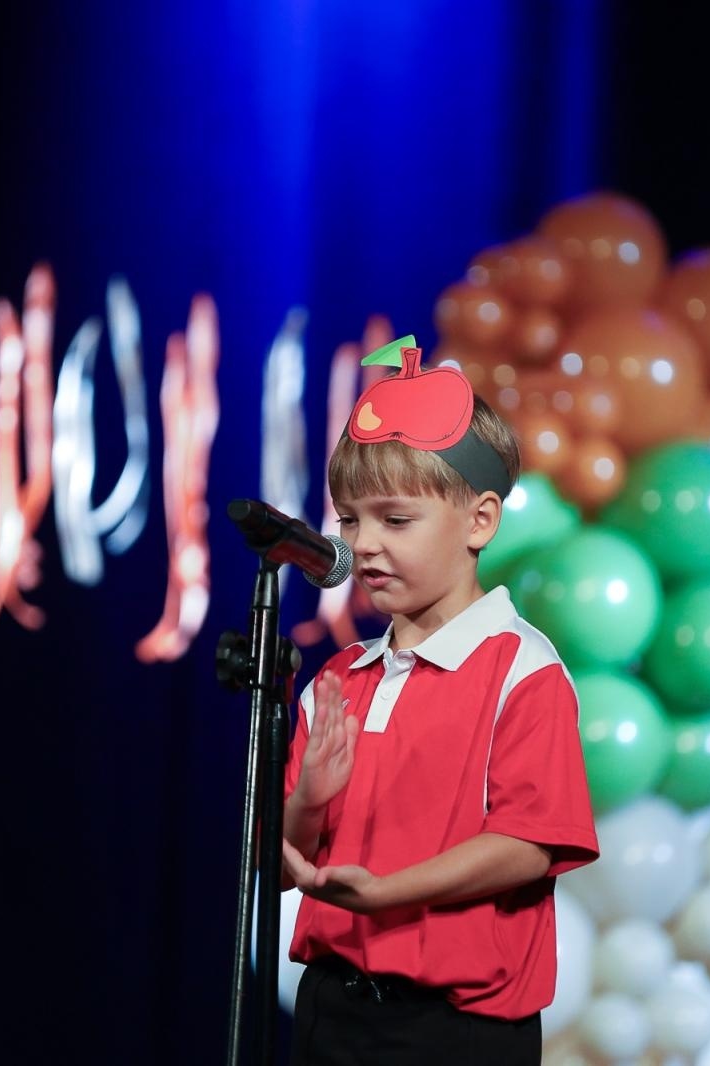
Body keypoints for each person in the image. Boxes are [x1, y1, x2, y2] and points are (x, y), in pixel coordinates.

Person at [280, 336, 598, 1065]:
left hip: (455, 1033)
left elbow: (528, 842)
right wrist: (307, 801)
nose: (363, 544)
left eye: (395, 521)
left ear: (479, 521)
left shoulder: (521, 668)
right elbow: (287, 849)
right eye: (349, 519)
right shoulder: (343, 677)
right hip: (333, 1009)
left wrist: (389, 891)